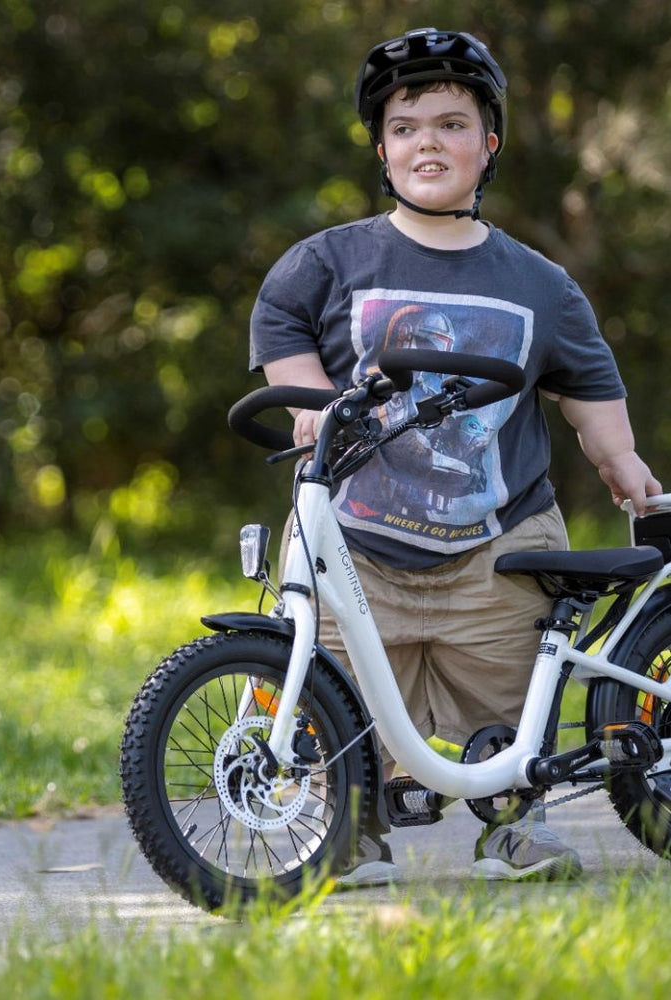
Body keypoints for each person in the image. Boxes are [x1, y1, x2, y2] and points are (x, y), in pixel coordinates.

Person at [249, 27, 662, 884]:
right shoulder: (327, 261)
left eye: (450, 124)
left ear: (489, 146)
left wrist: (622, 462)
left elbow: (588, 385)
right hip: (357, 542)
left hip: (493, 543)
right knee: (337, 696)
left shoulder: (538, 283)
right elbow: (284, 334)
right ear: (381, 149)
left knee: (516, 696)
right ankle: (348, 832)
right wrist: (306, 404)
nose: (427, 141)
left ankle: (515, 826)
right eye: (405, 128)